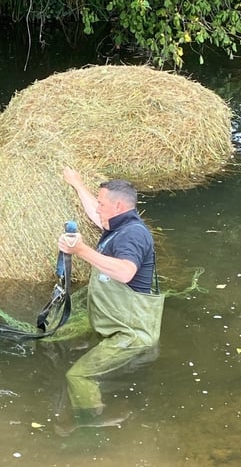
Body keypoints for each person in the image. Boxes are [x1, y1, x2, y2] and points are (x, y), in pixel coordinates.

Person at [56, 167, 164, 430]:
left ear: (117, 205)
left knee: (79, 375)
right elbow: (95, 213)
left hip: (130, 334)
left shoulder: (133, 234)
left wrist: (80, 250)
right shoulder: (118, 224)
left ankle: (91, 425)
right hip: (117, 326)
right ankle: (109, 410)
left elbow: (126, 272)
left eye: (102, 202)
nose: (98, 207)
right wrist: (78, 184)